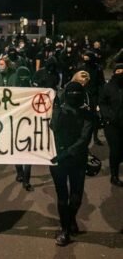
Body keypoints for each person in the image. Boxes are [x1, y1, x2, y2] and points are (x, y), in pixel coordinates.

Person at [50, 82, 93, 246]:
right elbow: (52, 128)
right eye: (71, 92)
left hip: (75, 159)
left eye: (77, 92)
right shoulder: (58, 111)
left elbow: (84, 139)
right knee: (62, 197)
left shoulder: (87, 115)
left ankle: (70, 219)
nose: (74, 95)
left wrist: (65, 153)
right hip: (58, 160)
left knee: (76, 197)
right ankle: (65, 230)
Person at [99, 63, 123, 187]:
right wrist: (108, 116)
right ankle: (114, 175)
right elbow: (102, 103)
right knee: (115, 149)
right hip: (112, 125)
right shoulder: (107, 87)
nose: (120, 73)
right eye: (118, 71)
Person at [11, 66, 34, 191]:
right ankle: (21, 174)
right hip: (19, 124)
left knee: (26, 154)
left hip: (27, 124)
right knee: (19, 152)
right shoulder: (14, 92)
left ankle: (25, 178)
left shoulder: (33, 91)